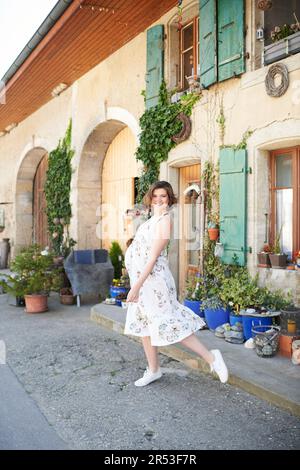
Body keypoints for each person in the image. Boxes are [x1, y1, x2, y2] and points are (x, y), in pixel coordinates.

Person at [124, 181, 228, 386]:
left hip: (154, 283)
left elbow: (152, 258)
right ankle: (153, 369)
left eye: (163, 196)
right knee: (144, 325)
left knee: (170, 324)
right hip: (142, 281)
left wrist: (136, 287)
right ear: (150, 198)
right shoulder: (150, 220)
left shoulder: (164, 220)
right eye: (155, 196)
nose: (159, 200)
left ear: (169, 199)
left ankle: (212, 358)